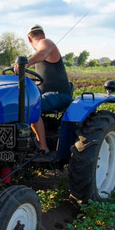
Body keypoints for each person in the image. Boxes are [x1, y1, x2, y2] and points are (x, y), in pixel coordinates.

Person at [14, 24, 72, 153]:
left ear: (29, 39)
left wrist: (24, 64)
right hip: (46, 95)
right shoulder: (39, 53)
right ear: (42, 33)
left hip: (59, 95)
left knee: (31, 106)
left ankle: (43, 146)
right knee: (17, 104)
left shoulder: (46, 43)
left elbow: (42, 53)